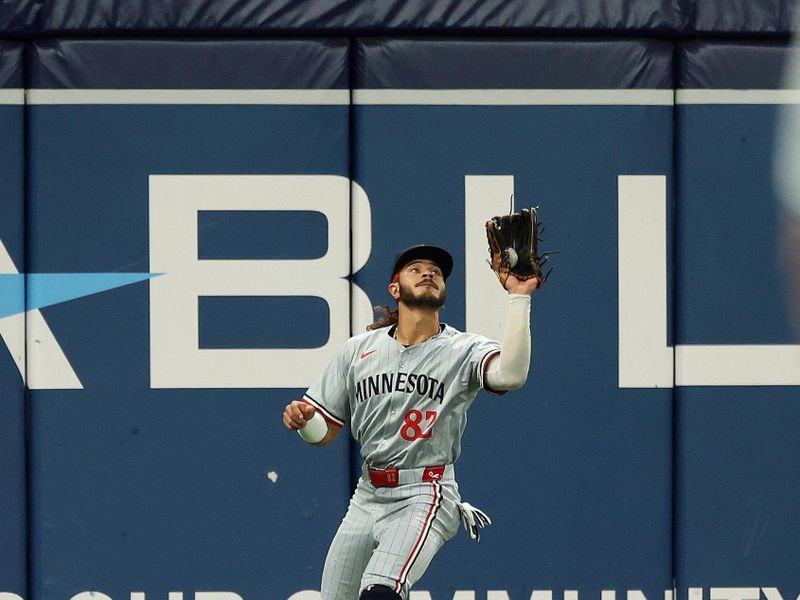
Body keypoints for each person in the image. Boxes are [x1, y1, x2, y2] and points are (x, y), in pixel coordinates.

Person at [282, 244, 539, 600]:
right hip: (367, 494)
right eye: (415, 268)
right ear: (394, 288)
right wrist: (304, 422)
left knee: (380, 593)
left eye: (436, 270)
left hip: (425, 491)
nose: (428, 272)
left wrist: (519, 298)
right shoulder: (358, 350)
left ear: (445, 290)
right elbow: (325, 431)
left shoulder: (463, 349)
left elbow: (510, 375)